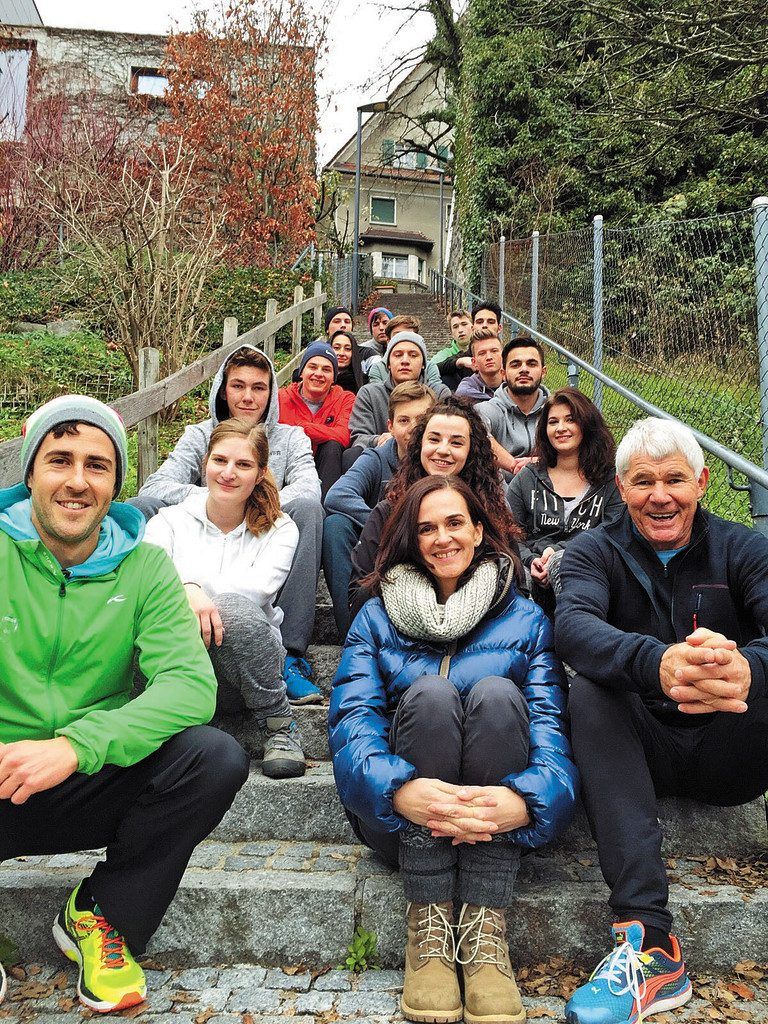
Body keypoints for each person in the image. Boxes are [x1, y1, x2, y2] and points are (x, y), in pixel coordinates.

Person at [0, 395, 248, 1012]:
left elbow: (190, 686)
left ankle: (101, 913)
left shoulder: (146, 568)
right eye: (60, 460)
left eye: (98, 465)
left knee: (213, 757)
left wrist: (75, 746)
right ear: (30, 471)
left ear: (116, 484)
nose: (78, 481)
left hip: (86, 774)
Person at [329, 474, 577, 1024]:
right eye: (426, 528)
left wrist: (529, 801)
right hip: (400, 819)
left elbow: (552, 730)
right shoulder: (376, 617)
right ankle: (431, 923)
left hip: (499, 820)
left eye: (454, 522)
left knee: (496, 693)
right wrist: (397, 791)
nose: (442, 538)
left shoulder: (528, 621)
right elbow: (352, 722)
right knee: (433, 695)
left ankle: (486, 927)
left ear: (480, 530)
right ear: (411, 542)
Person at [556, 417, 768, 1024]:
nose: (661, 496)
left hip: (733, 741)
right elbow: (574, 628)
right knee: (591, 690)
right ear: (620, 489)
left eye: (675, 479)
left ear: (701, 482)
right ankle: (648, 944)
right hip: (637, 746)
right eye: (643, 482)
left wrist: (747, 668)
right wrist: (658, 664)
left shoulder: (744, 548)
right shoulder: (592, 550)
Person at [131, 345, 325, 706]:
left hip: (261, 535)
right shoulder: (198, 435)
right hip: (205, 531)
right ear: (223, 389)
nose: (248, 397)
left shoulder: (290, 437)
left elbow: (308, 487)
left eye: (259, 387)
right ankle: (131, 628)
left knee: (309, 510)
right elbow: (155, 486)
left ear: (272, 393)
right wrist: (217, 497)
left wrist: (251, 497)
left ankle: (292, 655)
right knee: (141, 507)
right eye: (238, 386)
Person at [144, 419, 305, 780]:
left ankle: (280, 726)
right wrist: (184, 590)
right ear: (205, 463)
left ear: (261, 473)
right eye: (220, 461)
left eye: (243, 465)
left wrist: (190, 588)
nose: (228, 473)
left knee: (234, 612)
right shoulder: (168, 521)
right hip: (177, 663)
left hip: (243, 672)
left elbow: (254, 591)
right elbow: (147, 582)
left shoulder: (280, 529)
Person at [349, 396, 522, 622]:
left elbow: (516, 588)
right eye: (434, 439)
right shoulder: (387, 513)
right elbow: (357, 597)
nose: (443, 450)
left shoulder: (491, 514)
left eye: (456, 442)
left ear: (471, 451)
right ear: (420, 445)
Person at [322, 382, 436, 639]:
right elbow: (337, 495)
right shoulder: (377, 458)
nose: (413, 428)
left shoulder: (444, 457)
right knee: (335, 525)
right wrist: (387, 523)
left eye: (421, 419)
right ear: (390, 427)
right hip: (382, 551)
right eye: (404, 420)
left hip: (434, 550)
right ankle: (351, 632)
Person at [506, 387, 622, 612]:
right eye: (553, 422)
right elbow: (508, 533)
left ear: (587, 424)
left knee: (564, 566)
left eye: (570, 420)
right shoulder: (527, 478)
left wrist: (559, 551)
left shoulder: (610, 479)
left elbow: (613, 531)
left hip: (589, 567)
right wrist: (532, 561)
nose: (561, 428)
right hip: (531, 570)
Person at [278, 340, 355, 500]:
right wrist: (322, 432)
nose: (318, 373)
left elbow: (343, 436)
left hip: (326, 466)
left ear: (334, 376)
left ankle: (327, 511)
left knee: (332, 446)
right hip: (286, 464)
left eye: (326, 369)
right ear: (301, 372)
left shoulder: (345, 398)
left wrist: (298, 428)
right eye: (312, 367)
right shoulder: (279, 398)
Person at [349, 331, 450, 451]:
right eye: (398, 355)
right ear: (388, 364)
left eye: (413, 355)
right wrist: (380, 440)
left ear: (423, 364)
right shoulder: (370, 394)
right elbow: (358, 437)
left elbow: (449, 434)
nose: (405, 361)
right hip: (381, 457)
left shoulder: (439, 393)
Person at [478, 335, 548, 478]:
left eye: (531, 364)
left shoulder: (555, 411)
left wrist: (537, 462)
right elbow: (476, 433)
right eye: (515, 364)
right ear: (503, 373)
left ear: (543, 372)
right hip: (501, 493)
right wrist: (515, 466)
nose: (524, 369)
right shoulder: (489, 409)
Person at [367, 316, 446, 391]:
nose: (404, 339)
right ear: (388, 340)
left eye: (409, 336)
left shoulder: (430, 367)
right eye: (398, 335)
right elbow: (377, 395)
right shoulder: (377, 368)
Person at [432, 308, 479, 391]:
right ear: (451, 333)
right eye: (455, 327)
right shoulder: (444, 354)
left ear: (473, 327)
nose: (460, 330)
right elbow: (430, 371)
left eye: (464, 324)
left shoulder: (483, 350)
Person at [455, 329, 505, 404]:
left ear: (504, 356)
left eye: (494, 351)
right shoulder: (466, 390)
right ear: (474, 362)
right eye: (482, 353)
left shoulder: (514, 382)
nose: (489, 357)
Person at [329, 330, 367, 394]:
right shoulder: (321, 378)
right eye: (336, 348)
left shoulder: (364, 382)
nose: (341, 353)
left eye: (347, 349)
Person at [359, 306, 393, 375]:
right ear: (371, 329)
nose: (381, 328)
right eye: (376, 324)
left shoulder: (399, 349)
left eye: (385, 323)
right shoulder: (362, 351)